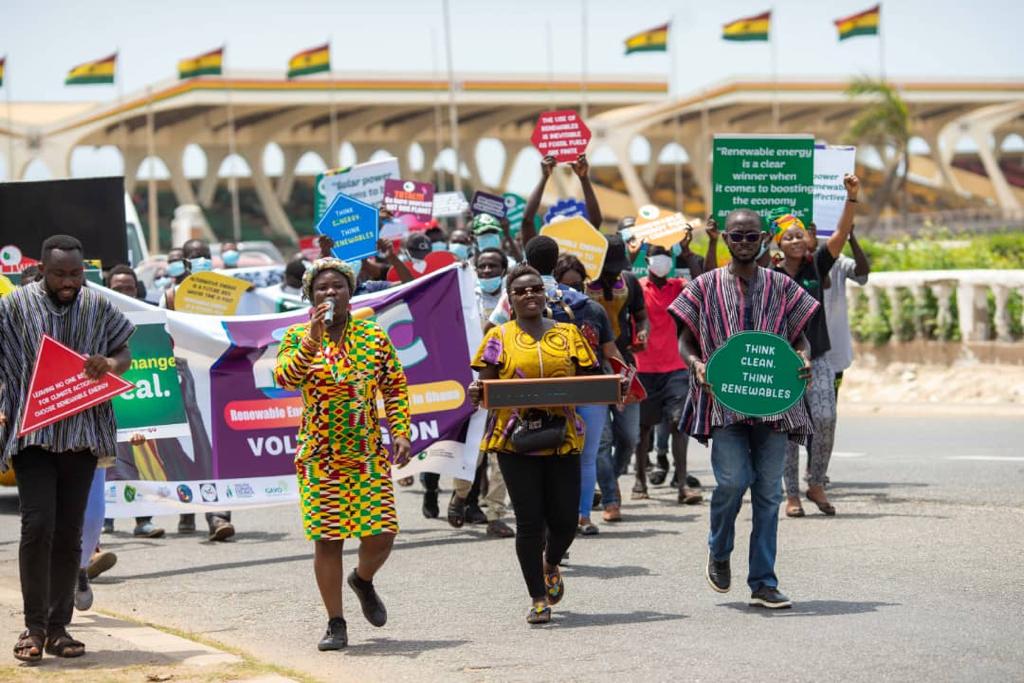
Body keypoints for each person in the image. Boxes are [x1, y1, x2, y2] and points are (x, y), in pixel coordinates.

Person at [670, 209, 818, 610]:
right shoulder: (703, 286)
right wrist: (696, 363)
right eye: (737, 237)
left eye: (752, 237)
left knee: (769, 493)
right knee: (733, 482)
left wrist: (802, 359)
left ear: (765, 238)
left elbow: (800, 339)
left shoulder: (781, 286)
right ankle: (719, 549)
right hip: (724, 403)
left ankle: (763, 582)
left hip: (774, 405)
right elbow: (685, 340)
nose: (744, 244)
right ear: (727, 240)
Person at [0, 235, 134, 661]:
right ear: (42, 269)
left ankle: (59, 630)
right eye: (60, 274)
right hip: (32, 435)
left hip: (83, 436)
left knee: (69, 534)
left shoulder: (97, 305)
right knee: (37, 526)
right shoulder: (13, 306)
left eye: (75, 274)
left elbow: (124, 351)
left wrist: (110, 364)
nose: (69, 282)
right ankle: (33, 627)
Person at [274, 257, 412, 651]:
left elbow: (395, 387)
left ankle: (363, 580)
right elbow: (286, 378)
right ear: (309, 296)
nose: (330, 292)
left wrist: (399, 430)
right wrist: (313, 339)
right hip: (320, 456)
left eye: (338, 286)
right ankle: (336, 622)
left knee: (382, 532)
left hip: (367, 452)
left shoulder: (372, 337)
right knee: (328, 540)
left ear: (351, 294)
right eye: (322, 288)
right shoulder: (296, 337)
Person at [469, 264, 598, 624]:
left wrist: (613, 386)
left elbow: (591, 379)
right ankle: (538, 597)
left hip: (563, 436)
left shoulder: (570, 334)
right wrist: (476, 393)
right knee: (529, 522)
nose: (529, 295)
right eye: (521, 291)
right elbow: (486, 389)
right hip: (515, 440)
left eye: (535, 289)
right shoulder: (498, 336)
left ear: (546, 295)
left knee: (565, 521)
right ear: (509, 300)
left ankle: (551, 561)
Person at [772, 175, 859, 518]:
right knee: (791, 428)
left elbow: (840, 235)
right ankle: (791, 494)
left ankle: (816, 481)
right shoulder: (771, 274)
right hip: (784, 362)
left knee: (825, 417)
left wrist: (851, 198)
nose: (795, 240)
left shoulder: (817, 264)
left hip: (819, 356)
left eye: (799, 235)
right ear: (778, 244)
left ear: (808, 239)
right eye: (787, 237)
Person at [161, 239, 236, 540]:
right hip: (184, 376)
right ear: (185, 261)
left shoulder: (226, 292)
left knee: (216, 446)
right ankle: (187, 508)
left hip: (217, 375)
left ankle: (218, 515)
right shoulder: (170, 296)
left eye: (205, 255)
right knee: (183, 444)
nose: (202, 259)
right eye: (195, 256)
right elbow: (161, 330)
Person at [552, 253, 628, 535]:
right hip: (557, 392)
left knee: (587, 456)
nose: (573, 290)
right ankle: (560, 518)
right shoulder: (546, 310)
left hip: (592, 390)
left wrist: (623, 381)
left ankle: (583, 516)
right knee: (560, 457)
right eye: (567, 284)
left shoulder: (595, 311)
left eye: (579, 284)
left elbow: (609, 351)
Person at [445, 248, 515, 538]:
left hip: (507, 386)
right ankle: (460, 495)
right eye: (482, 267)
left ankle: (496, 513)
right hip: (474, 386)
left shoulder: (513, 302)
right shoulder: (465, 300)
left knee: (502, 454)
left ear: (503, 270)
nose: (487, 271)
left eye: (493, 267)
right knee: (472, 449)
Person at [631, 244, 702, 505]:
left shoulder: (678, 285)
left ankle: (682, 484)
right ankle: (639, 479)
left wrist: (687, 254)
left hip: (676, 367)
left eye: (666, 256)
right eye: (656, 255)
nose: (662, 260)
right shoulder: (637, 287)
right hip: (645, 366)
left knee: (678, 423)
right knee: (643, 427)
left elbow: (701, 283)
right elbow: (620, 282)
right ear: (647, 260)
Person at [100, 266, 167, 540]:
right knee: (104, 464)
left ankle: (143, 520)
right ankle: (104, 520)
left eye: (129, 288)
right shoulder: (97, 319)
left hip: (140, 401)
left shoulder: (152, 319)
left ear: (137, 289)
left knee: (139, 461)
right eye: (118, 289)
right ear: (107, 290)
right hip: (106, 405)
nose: (124, 293)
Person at [586, 232, 648, 522]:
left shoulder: (630, 281)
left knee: (629, 436)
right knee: (601, 440)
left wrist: (643, 329)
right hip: (592, 369)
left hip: (624, 363)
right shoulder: (584, 285)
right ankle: (611, 498)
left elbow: (640, 314)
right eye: (607, 268)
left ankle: (610, 475)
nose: (612, 274)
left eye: (616, 267)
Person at [822, 226, 871, 397]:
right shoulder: (796, 263)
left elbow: (862, 273)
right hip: (806, 350)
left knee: (831, 402)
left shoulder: (840, 262)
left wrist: (851, 237)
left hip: (835, 349)